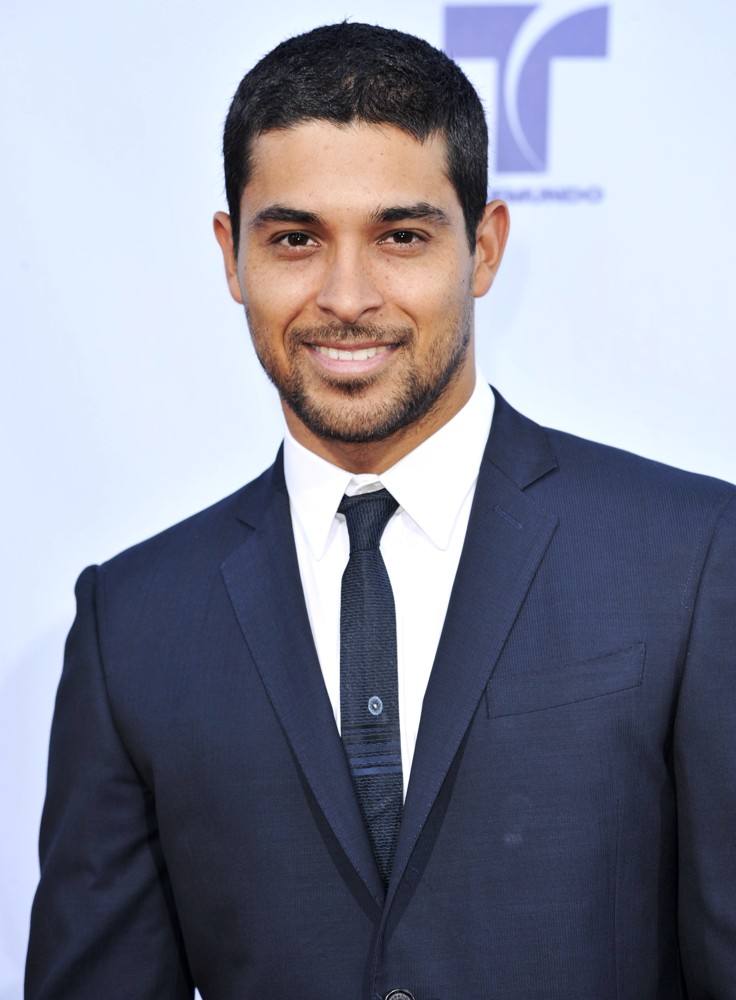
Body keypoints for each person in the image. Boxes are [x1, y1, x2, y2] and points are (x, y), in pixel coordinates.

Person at [26, 21, 736, 1000]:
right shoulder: (135, 624)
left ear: (483, 248)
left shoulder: (688, 558)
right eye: (295, 239)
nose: (347, 296)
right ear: (232, 257)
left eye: (401, 236)